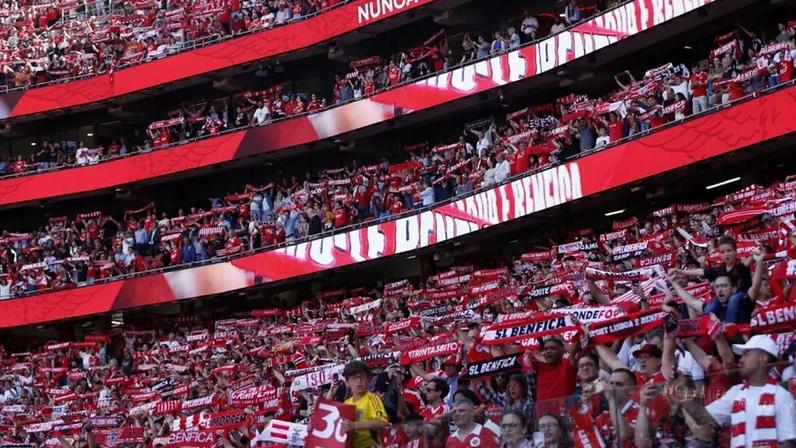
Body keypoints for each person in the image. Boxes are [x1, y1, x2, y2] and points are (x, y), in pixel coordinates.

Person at [685, 335, 796, 447]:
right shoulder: (736, 393)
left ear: (763, 358)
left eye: (746, 354)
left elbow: (788, 442)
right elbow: (702, 418)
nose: (741, 359)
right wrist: (681, 395)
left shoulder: (782, 396)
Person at [339, 361, 389, 448]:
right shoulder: (346, 403)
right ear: (347, 383)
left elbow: (382, 422)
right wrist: (314, 427)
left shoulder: (372, 398)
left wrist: (354, 425)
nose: (359, 381)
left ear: (369, 380)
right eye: (354, 378)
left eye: (362, 377)